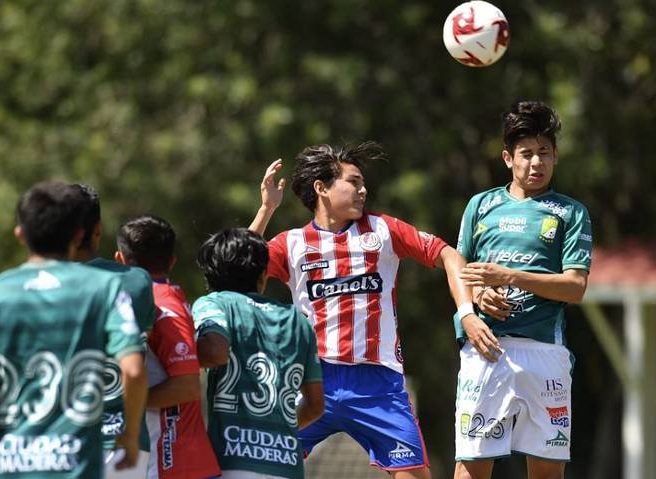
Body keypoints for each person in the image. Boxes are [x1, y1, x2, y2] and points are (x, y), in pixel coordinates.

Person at [249, 142, 475, 479]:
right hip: (311, 381)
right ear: (321, 188)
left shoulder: (383, 229)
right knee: (258, 469)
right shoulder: (291, 242)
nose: (363, 190)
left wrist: (468, 312)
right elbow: (239, 270)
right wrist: (266, 209)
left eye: (363, 183)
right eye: (353, 182)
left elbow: (448, 254)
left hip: (378, 386)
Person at [0, 181, 147, 479]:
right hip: (79, 463)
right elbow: (135, 372)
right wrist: (130, 434)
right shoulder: (105, 288)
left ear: (20, 234)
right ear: (78, 236)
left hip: (14, 465)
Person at [452, 100, 592, 479]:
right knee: (471, 468)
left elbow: (575, 287)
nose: (536, 162)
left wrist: (510, 277)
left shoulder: (570, 212)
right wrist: (476, 302)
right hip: (486, 350)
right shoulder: (481, 206)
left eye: (544, 152)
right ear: (507, 158)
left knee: (546, 472)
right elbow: (460, 271)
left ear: (556, 156)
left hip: (546, 353)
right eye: (526, 153)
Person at [193, 228, 325, 479]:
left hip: (231, 460)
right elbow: (316, 405)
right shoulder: (297, 320)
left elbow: (214, 353)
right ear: (264, 275)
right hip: (287, 463)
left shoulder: (214, 303)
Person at [115, 214, 221, 479]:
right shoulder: (162, 297)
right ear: (172, 261)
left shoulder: (160, 303)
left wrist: (121, 405)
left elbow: (185, 386)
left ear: (119, 260)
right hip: (179, 461)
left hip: (171, 463)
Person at [70, 183, 156, 479]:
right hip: (121, 444)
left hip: (56, 444)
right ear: (98, 229)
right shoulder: (136, 281)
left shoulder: (28, 288)